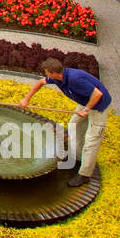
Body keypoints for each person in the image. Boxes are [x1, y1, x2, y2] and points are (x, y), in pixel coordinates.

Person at [18, 58, 110, 188]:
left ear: (53, 72)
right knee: (74, 127)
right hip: (86, 102)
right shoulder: (57, 77)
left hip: (98, 106)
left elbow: (97, 94)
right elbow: (40, 83)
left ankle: (85, 175)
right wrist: (26, 99)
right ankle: (77, 158)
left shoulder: (75, 79)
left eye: (46, 73)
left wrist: (86, 110)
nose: (46, 75)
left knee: (92, 140)